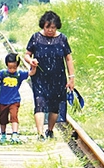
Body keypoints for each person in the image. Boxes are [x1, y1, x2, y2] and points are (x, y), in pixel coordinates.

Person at [23, 10, 75, 141]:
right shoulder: (36, 38)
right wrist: (31, 61)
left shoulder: (62, 39)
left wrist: (71, 78)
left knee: (54, 106)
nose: (50, 30)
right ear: (43, 26)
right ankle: (40, 134)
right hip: (40, 77)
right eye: (48, 27)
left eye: (53, 27)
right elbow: (27, 54)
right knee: (39, 102)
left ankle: (50, 130)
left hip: (58, 78)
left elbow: (68, 58)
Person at [0, 53, 34, 144]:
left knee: (14, 116)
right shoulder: (3, 73)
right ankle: (3, 134)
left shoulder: (19, 74)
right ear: (6, 65)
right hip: (3, 100)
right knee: (3, 118)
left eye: (14, 67)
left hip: (14, 100)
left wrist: (33, 65)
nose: (12, 70)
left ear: (17, 66)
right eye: (10, 68)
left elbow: (31, 73)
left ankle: (14, 134)